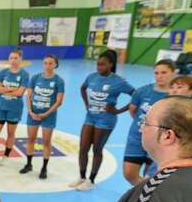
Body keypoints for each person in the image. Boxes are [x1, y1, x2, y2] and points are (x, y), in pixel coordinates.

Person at [71, 50, 134, 191]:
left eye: (103, 65)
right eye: (98, 64)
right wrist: (86, 104)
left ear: (110, 65)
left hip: (105, 120)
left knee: (97, 149)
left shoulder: (118, 81)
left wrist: (118, 110)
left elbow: (136, 95)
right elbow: (83, 88)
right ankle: (82, 177)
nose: (99, 67)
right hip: (90, 116)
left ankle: (91, 180)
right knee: (83, 148)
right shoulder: (92, 77)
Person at [122, 60, 175, 185]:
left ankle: (147, 198)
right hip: (137, 138)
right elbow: (133, 112)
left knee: (150, 178)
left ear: (173, 73)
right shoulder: (142, 91)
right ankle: (143, 192)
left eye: (164, 72)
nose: (159, 76)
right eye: (156, 73)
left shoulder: (174, 96)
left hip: (159, 142)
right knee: (129, 173)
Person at [20, 54, 65, 179]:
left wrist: (45, 114)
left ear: (55, 64)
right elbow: (28, 96)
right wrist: (30, 111)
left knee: (46, 141)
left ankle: (44, 168)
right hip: (33, 114)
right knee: (30, 139)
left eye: (50, 63)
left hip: (48, 116)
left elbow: (59, 101)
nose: (48, 65)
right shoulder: (35, 78)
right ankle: (28, 164)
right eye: (45, 63)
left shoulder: (58, 81)